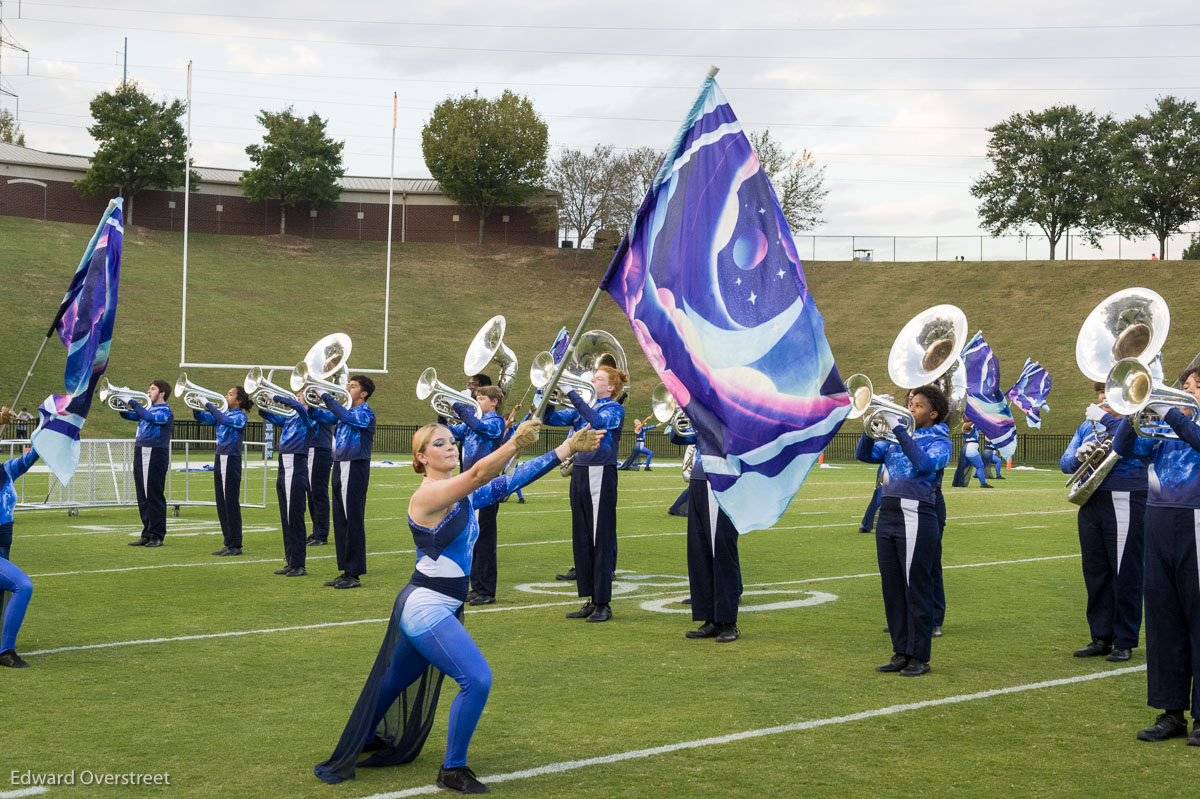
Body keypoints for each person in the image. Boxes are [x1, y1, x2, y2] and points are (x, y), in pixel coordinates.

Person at [313, 418, 600, 792]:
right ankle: (453, 769)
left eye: (452, 441)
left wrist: (566, 449)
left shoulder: (458, 492)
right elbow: (480, 474)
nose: (450, 447)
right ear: (420, 457)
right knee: (477, 679)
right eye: (439, 444)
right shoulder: (428, 496)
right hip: (426, 606)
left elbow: (509, 481)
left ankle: (365, 735)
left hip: (437, 603)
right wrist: (514, 442)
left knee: (398, 678)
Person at [1113, 366, 1200, 745]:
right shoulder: (1166, 427)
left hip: (1196, 520)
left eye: (1194, 384)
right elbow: (1123, 450)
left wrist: (1172, 415)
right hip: (1158, 522)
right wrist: (1133, 415)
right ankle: (1171, 712)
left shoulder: (1182, 423)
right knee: (1164, 622)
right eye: (1185, 384)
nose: (1185, 389)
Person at [856, 384, 952, 677]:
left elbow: (923, 464)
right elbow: (864, 454)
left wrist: (898, 429)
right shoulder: (898, 436)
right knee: (893, 587)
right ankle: (901, 652)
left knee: (916, 587)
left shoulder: (940, 440)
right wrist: (871, 422)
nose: (911, 409)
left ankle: (919, 656)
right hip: (889, 512)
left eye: (918, 406)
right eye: (910, 403)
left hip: (917, 513)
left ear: (933, 413)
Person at [1061, 381, 1149, 664]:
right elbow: (1065, 463)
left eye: (1109, 394)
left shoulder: (1139, 420)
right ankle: (1100, 636)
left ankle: (1124, 640)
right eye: (1100, 394)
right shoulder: (1089, 425)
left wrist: (1111, 421)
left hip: (1126, 495)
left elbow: (1140, 449)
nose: (1102, 399)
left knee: (1125, 571)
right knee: (1095, 571)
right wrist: (1078, 456)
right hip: (1091, 499)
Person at [543, 365, 627, 622]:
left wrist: (572, 393)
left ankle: (604, 603)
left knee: (598, 536)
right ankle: (591, 598)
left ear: (610, 387)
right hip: (580, 471)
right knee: (582, 536)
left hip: (601, 472)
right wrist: (546, 393)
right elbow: (550, 419)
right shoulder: (582, 408)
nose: (592, 380)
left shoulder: (614, 408)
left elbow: (600, 423)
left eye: (598, 378)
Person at [670, 423, 742, 642]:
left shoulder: (731, 408)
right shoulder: (701, 410)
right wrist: (682, 411)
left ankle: (728, 622)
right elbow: (678, 438)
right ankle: (709, 619)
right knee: (699, 553)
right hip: (699, 480)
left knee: (721, 551)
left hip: (722, 479)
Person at [448, 385, 505, 607]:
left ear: (494, 403)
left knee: (484, 540)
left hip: (487, 487)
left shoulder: (495, 422)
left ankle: (487, 590)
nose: (477, 401)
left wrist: (460, 408)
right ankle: (476, 586)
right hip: (469, 485)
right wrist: (446, 414)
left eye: (481, 399)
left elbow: (480, 427)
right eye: (477, 398)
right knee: (471, 537)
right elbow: (453, 433)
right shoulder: (472, 423)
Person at [321, 376, 376, 589]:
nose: (347, 389)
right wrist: (304, 404)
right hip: (341, 464)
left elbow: (344, 415)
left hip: (355, 466)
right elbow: (322, 416)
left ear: (364, 394)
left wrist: (327, 398)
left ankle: (354, 573)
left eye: (352, 387)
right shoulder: (346, 411)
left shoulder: (365, 413)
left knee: (352, 519)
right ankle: (345, 570)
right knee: (341, 519)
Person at [259, 392, 318, 577]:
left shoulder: (310, 416)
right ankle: (291, 561)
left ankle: (299, 564)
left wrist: (283, 399)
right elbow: (270, 416)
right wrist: (262, 403)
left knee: (295, 517)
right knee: (286, 517)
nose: (298, 396)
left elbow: (300, 408)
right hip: (284, 463)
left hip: (297, 465)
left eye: (301, 395)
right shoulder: (292, 416)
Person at [193, 387, 251, 557]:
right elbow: (200, 417)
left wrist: (208, 404)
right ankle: (228, 541)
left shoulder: (240, 416)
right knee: (221, 502)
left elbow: (223, 420)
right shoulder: (223, 413)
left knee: (230, 502)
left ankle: (235, 544)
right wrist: (196, 405)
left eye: (230, 394)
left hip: (231, 458)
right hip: (220, 457)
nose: (226, 396)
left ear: (239, 401)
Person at [0, 407, 37, 668]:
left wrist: (50, 431)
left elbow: (29, 458)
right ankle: (5, 652)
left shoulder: (6, 471)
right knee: (23, 585)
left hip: (3, 548)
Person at [120, 380, 173, 547]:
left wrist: (131, 400)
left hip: (155, 452)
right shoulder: (147, 409)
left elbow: (150, 417)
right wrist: (121, 401)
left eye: (152, 389)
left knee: (154, 494)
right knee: (142, 495)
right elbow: (128, 415)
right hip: (141, 450)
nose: (148, 391)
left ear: (162, 393)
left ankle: (158, 534)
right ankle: (147, 532)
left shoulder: (165, 412)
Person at [304, 398, 336, 547]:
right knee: (311, 494)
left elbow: (315, 414)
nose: (299, 397)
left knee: (318, 493)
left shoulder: (324, 410)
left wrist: (308, 403)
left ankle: (322, 534)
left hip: (320, 450)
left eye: (301, 395)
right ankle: (316, 531)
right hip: (309, 449)